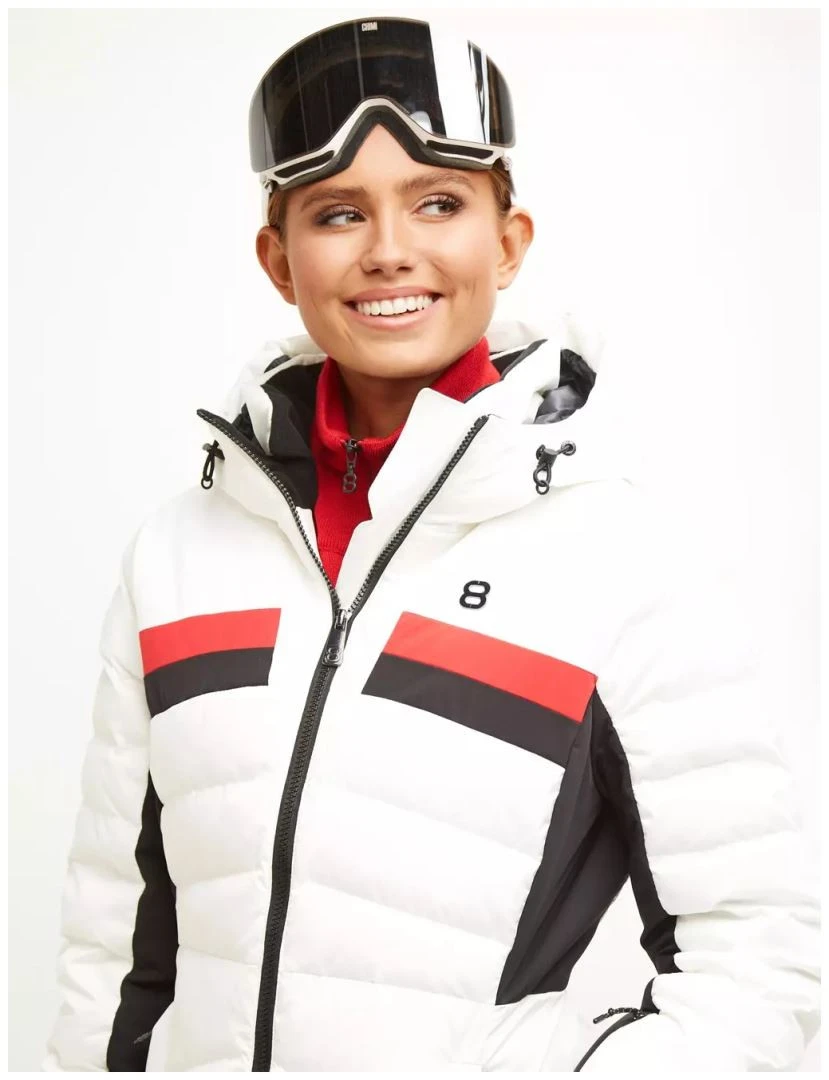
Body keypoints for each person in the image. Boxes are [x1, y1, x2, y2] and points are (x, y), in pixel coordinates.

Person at [43, 15, 820, 1073]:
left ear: (508, 241)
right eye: (337, 213)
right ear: (277, 260)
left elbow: (759, 951)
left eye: (438, 203)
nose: (388, 250)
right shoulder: (177, 555)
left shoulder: (621, 564)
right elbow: (114, 948)